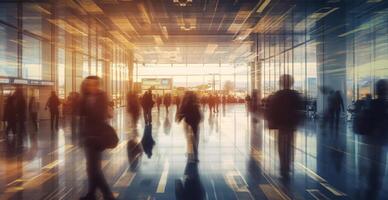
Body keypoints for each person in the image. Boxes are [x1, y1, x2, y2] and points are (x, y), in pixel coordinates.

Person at [79, 76, 116, 200]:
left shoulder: (102, 97)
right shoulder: (85, 97)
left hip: (98, 137)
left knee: (94, 169)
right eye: (89, 84)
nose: (92, 87)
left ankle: (107, 195)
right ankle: (91, 194)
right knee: (91, 168)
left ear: (98, 85)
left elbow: (99, 116)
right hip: (88, 137)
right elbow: (81, 114)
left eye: (94, 84)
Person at [265, 74, 303, 179]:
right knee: (290, 145)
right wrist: (298, 121)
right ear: (291, 83)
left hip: (281, 124)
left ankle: (283, 166)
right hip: (291, 124)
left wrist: (271, 123)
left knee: (281, 146)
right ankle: (287, 165)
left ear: (281, 83)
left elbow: (271, 110)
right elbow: (300, 109)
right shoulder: (295, 95)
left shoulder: (277, 95)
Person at [176, 91, 203, 162]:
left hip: (188, 123)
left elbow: (182, 112)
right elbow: (199, 115)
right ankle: (195, 155)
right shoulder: (196, 103)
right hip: (195, 123)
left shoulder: (185, 102)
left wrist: (179, 118)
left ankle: (190, 153)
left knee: (189, 139)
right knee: (196, 139)